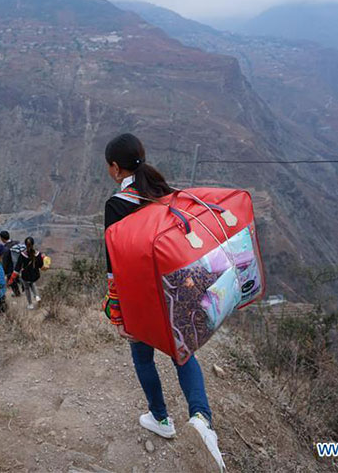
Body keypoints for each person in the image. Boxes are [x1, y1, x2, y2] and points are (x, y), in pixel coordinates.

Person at [102, 133, 225, 472]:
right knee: (182, 355)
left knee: (143, 357)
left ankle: (161, 418)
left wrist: (117, 313)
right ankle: (202, 420)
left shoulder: (117, 204)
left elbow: (114, 267)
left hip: (141, 300)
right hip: (177, 292)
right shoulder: (163, 193)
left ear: (115, 168)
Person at [10, 236, 44, 310]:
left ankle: (30, 304)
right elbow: (41, 265)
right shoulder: (38, 254)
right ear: (33, 244)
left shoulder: (22, 255)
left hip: (26, 275)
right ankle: (37, 296)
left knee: (27, 288)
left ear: (25, 245)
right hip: (35, 275)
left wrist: (12, 277)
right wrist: (42, 258)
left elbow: (17, 267)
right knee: (32, 283)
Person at [0, 230, 22, 297]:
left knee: (11, 280)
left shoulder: (5, 248)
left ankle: (17, 293)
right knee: (18, 278)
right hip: (19, 265)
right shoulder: (16, 243)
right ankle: (23, 288)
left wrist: (4, 270)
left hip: (10, 268)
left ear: (2, 238)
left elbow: (5, 261)